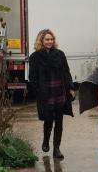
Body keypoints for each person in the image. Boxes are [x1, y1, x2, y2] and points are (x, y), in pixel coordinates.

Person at [29, 29, 75, 160]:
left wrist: (71, 87)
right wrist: (37, 91)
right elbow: (32, 76)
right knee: (48, 120)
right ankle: (45, 141)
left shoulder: (60, 54)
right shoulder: (35, 57)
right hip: (45, 93)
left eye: (51, 39)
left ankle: (56, 149)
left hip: (60, 91)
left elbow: (66, 72)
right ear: (41, 41)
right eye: (47, 39)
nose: (49, 41)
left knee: (59, 121)